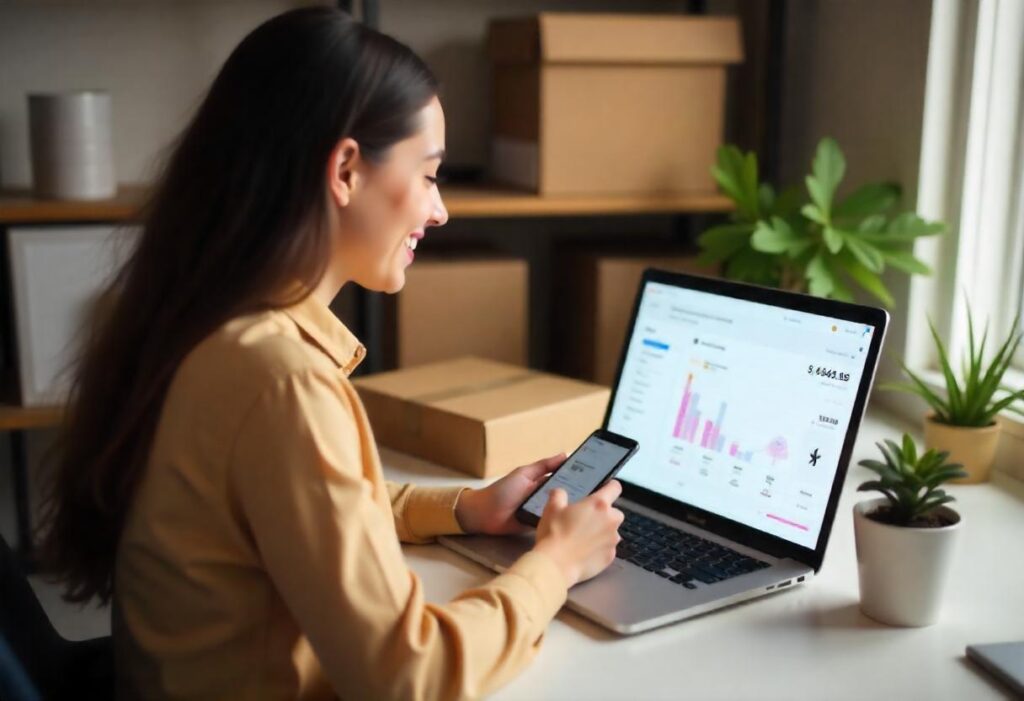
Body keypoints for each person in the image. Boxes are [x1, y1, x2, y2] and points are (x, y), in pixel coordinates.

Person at [37, 7, 624, 700]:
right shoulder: (280, 381)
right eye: (430, 174)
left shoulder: (211, 325)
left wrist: (466, 507)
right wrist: (555, 563)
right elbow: (409, 674)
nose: (440, 211)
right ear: (346, 169)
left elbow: (317, 507)